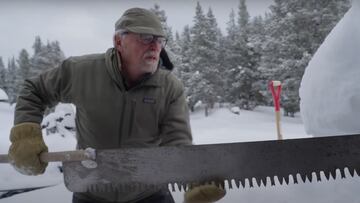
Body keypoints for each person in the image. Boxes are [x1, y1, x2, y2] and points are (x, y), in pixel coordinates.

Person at [8, 7, 225, 203]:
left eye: (160, 40)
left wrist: (194, 175)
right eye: (146, 37)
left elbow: (177, 140)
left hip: (149, 194)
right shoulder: (81, 71)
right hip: (90, 193)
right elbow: (34, 90)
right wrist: (26, 135)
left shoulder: (169, 87)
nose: (155, 45)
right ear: (119, 41)